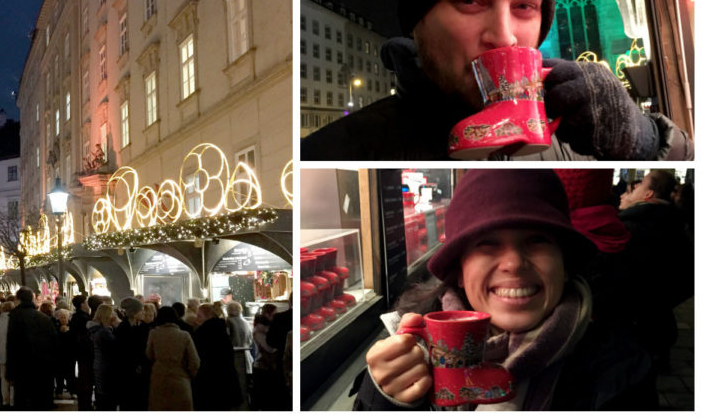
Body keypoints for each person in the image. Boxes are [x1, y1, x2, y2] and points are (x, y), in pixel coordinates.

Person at [301, 0, 693, 161]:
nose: (504, 36)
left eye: (524, 7)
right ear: (418, 20)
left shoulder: (580, 139)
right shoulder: (331, 152)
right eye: (470, 1)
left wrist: (646, 140)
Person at [353, 169, 658, 410]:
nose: (513, 263)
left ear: (564, 265)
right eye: (487, 243)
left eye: (537, 240)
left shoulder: (620, 369)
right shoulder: (406, 352)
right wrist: (382, 399)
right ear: (459, 272)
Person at [613, 170, 693, 371]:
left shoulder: (629, 230)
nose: (625, 193)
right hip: (659, 327)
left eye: (637, 187)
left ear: (648, 195)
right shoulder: (675, 227)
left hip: (629, 333)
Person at [5, 287, 58, 410]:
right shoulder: (44, 319)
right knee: (39, 401)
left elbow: (12, 345)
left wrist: (10, 372)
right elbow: (54, 344)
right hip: (42, 366)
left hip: (21, 366)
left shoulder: (15, 317)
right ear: (32, 299)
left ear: (18, 299)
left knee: (22, 400)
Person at [145, 306, 200, 410]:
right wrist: (190, 375)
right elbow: (194, 361)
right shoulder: (184, 335)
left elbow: (149, 354)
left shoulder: (153, 334)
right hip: (180, 379)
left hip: (159, 379)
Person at [192, 303, 242, 410]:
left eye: (199, 316)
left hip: (208, 384)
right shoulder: (222, 330)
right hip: (226, 382)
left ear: (207, 317)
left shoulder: (202, 333)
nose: (196, 319)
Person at [115, 297, 149, 410]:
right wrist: (136, 365)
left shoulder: (135, 327)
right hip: (128, 371)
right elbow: (125, 351)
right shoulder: (123, 328)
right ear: (134, 313)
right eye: (141, 310)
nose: (143, 312)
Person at [88, 303, 119, 411]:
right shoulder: (103, 332)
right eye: (112, 314)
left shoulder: (96, 329)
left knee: (101, 393)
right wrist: (117, 326)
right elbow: (115, 348)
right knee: (107, 398)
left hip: (99, 365)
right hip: (106, 367)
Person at [226, 301, 255, 410]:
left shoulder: (229, 322)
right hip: (247, 356)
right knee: (246, 386)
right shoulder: (246, 322)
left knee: (238, 386)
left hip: (235, 357)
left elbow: (229, 340)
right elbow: (251, 340)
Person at [251, 304, 280, 409]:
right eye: (274, 314)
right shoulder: (259, 331)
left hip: (266, 366)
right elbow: (269, 348)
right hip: (263, 367)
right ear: (267, 315)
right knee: (266, 401)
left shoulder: (267, 328)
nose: (276, 317)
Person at [70, 294, 95, 410]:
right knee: (85, 379)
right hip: (84, 353)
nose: (87, 305)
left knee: (84, 378)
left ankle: (84, 403)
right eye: (85, 302)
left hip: (79, 352)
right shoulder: (83, 318)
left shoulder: (76, 317)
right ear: (82, 305)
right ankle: (85, 404)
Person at [0, 301, 15, 407]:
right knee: (13, 378)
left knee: (3, 378)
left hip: (1, 354)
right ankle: (12, 400)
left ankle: (5, 400)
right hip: (12, 354)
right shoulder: (13, 321)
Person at [54, 308, 77, 399]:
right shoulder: (55, 326)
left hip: (70, 354)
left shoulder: (72, 326)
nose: (63, 319)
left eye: (65, 317)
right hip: (59, 354)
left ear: (68, 318)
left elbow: (74, 339)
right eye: (61, 317)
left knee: (70, 374)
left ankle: (72, 391)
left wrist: (67, 332)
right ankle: (59, 391)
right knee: (59, 374)